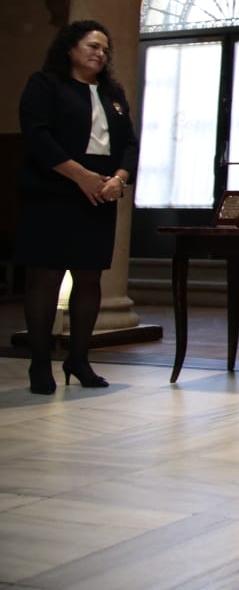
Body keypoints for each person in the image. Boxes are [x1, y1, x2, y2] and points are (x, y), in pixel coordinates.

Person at [17, 20, 138, 395]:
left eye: (105, 49)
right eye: (92, 46)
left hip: (100, 193)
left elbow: (129, 145)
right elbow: (37, 135)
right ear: (70, 48)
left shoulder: (112, 94)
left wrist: (117, 179)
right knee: (46, 277)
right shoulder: (45, 85)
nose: (100, 54)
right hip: (53, 190)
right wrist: (79, 176)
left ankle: (79, 358)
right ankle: (40, 363)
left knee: (89, 278)